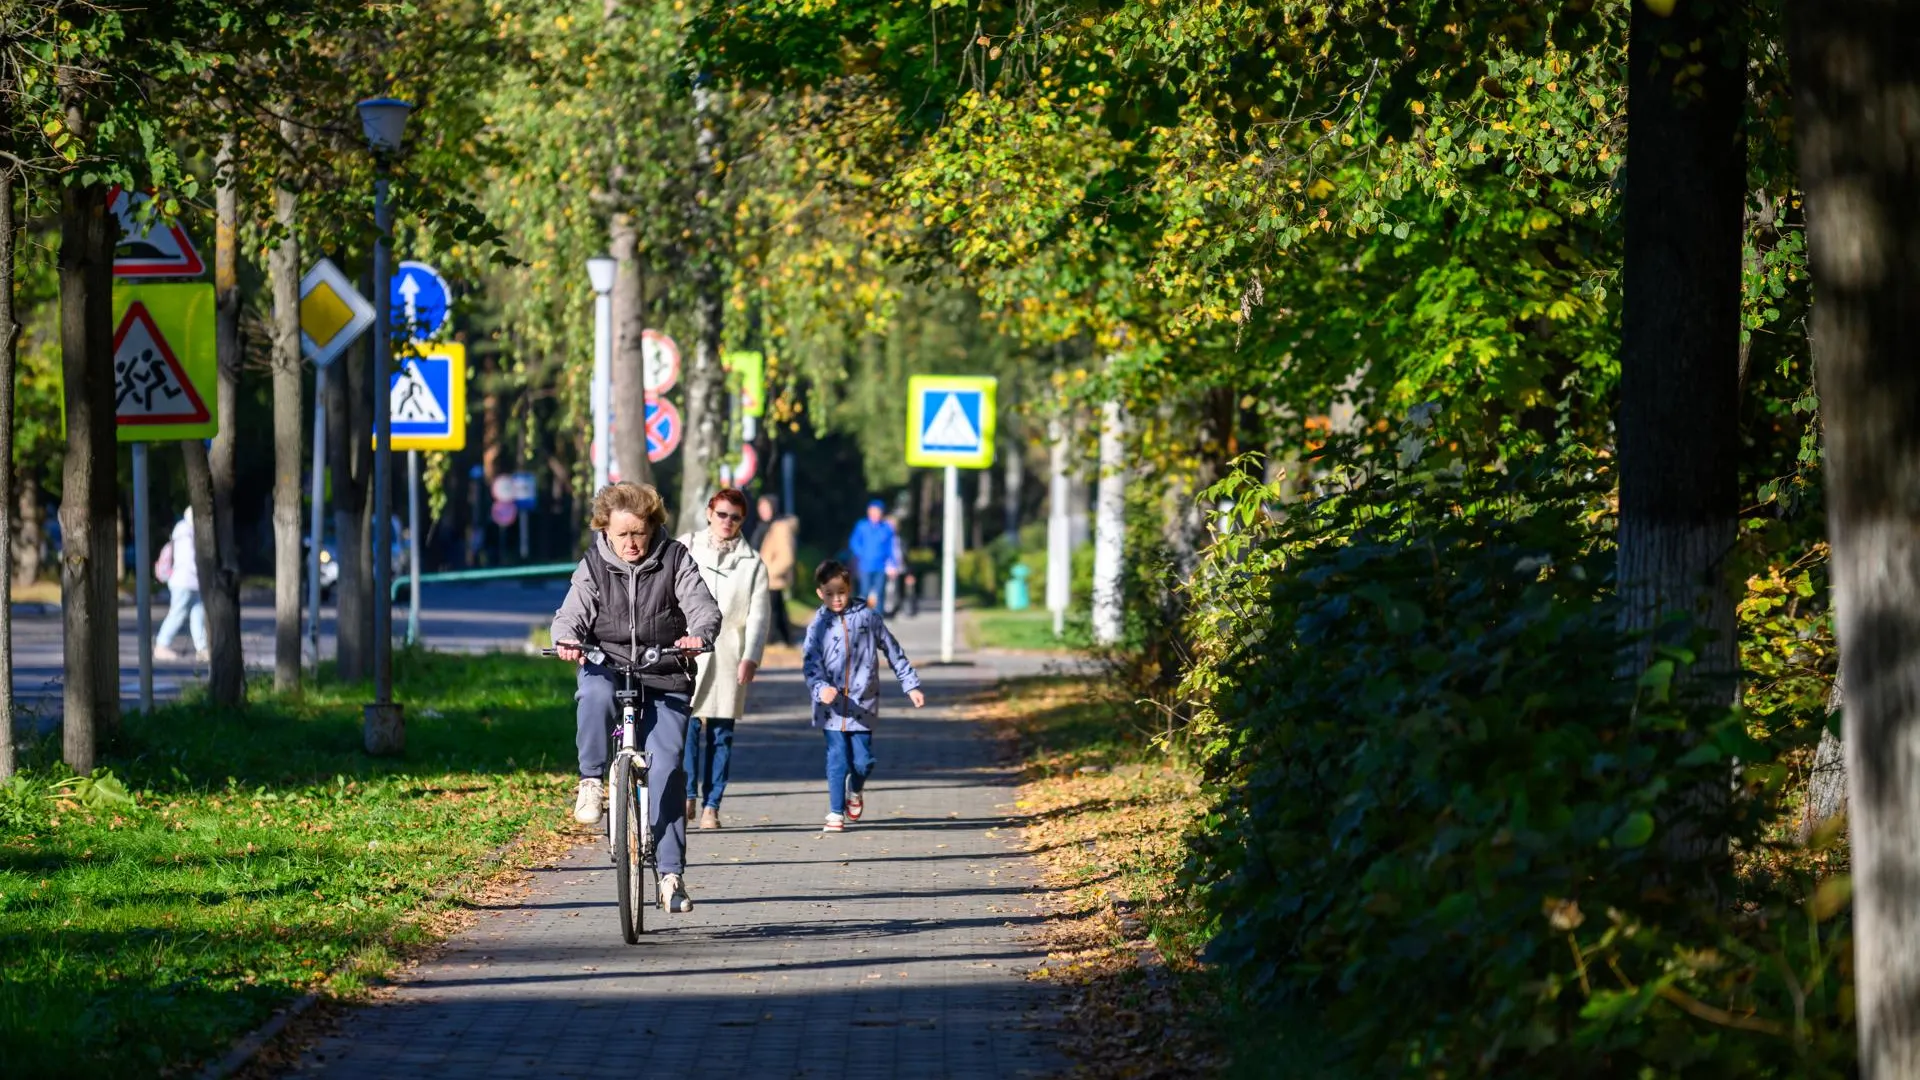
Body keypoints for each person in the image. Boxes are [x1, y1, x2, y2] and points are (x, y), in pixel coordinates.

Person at [551, 481, 720, 914]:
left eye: (639, 533)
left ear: (652, 528)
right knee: (592, 691)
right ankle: (591, 781)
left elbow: (702, 605)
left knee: (667, 765)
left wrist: (698, 635)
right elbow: (571, 612)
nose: (631, 543)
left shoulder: (675, 559)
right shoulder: (593, 565)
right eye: (621, 534)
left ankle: (670, 875)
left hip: (664, 670)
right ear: (605, 530)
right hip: (608, 664)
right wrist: (568, 638)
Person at [802, 559, 925, 832]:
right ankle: (835, 812)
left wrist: (911, 685)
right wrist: (821, 688)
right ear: (820, 593)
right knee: (838, 757)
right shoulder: (818, 625)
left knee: (863, 761)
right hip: (831, 704)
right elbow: (810, 663)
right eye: (830, 593)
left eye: (842, 592)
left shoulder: (868, 617)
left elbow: (893, 650)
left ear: (850, 588)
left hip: (863, 703)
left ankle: (854, 790)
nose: (837, 599)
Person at [677, 488, 771, 830]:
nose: (727, 522)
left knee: (721, 733)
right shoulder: (686, 546)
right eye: (722, 514)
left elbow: (759, 615)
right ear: (709, 513)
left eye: (735, 517)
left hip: (729, 652)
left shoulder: (753, 563)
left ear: (742, 521)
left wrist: (752, 657)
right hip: (686, 648)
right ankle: (687, 794)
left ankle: (712, 806)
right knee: (685, 724)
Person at [156, 508, 207, 662]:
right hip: (184, 582)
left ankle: (202, 648)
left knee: (198, 614)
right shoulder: (185, 533)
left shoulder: (184, 531)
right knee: (178, 613)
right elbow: (188, 561)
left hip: (191, 582)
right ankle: (161, 646)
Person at [752, 495, 798, 646]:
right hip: (764, 576)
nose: (763, 511)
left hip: (771, 577)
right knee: (777, 610)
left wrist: (769, 571)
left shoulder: (780, 527)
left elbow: (787, 557)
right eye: (761, 507)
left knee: (771, 611)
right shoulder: (762, 527)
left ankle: (771, 640)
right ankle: (784, 638)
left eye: (766, 507)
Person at [846, 499, 896, 609]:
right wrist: (861, 554)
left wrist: (893, 564)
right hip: (865, 565)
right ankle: (863, 618)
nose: (875, 514)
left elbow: (891, 548)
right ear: (869, 512)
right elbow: (854, 542)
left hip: (881, 566)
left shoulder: (886, 528)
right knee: (864, 592)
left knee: (880, 593)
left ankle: (877, 619)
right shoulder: (862, 526)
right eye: (873, 511)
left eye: (878, 511)